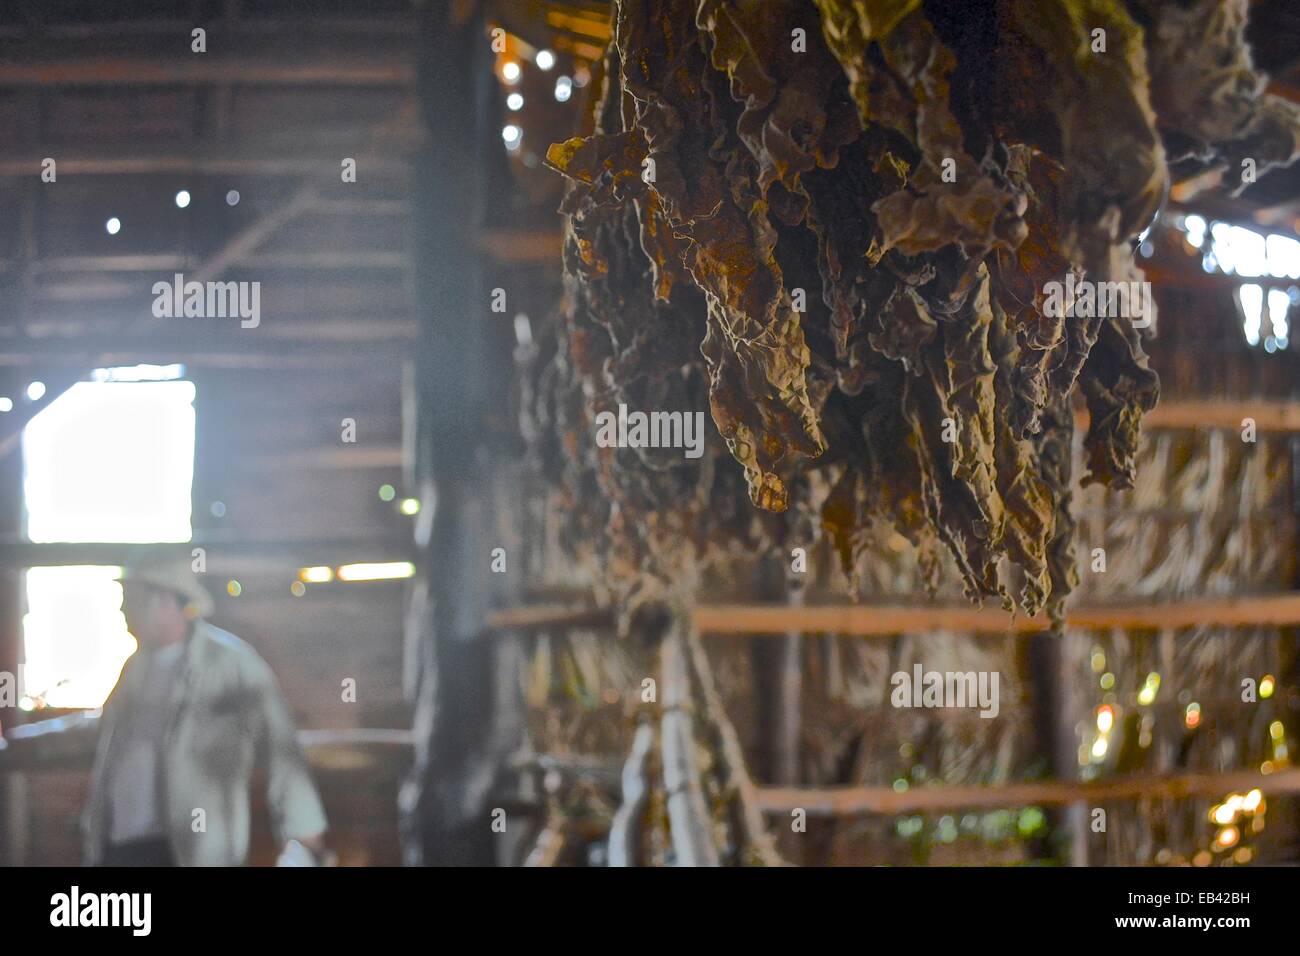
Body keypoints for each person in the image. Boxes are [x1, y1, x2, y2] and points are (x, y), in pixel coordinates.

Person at [3, 557, 329, 866]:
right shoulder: (136, 668)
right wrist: (21, 742)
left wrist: (304, 834)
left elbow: (281, 748)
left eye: (129, 597)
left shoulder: (231, 664)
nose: (121, 608)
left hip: (191, 851)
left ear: (164, 600)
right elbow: (105, 730)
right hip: (121, 845)